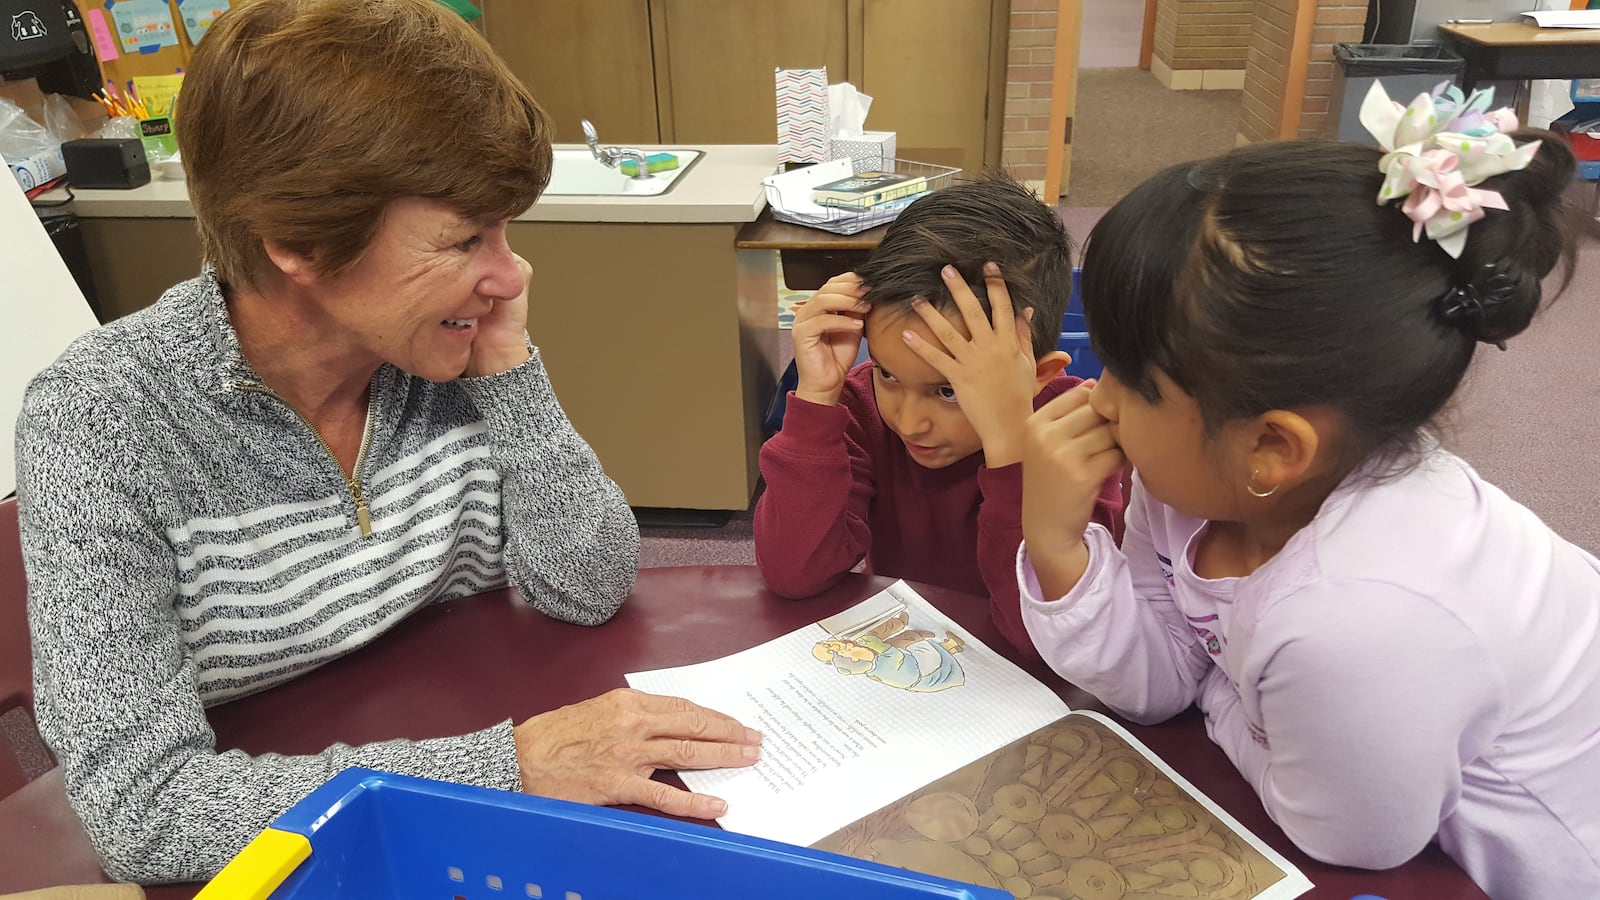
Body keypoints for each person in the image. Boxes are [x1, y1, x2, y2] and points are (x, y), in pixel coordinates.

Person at [14, 0, 758, 885]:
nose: (512, 273)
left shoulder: (439, 352)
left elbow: (588, 585)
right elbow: (146, 812)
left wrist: (510, 365)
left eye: (506, 230)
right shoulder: (103, 419)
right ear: (299, 242)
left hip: (466, 762)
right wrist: (503, 771)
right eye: (463, 239)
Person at [1017, 87, 1598, 899]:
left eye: (1129, 380)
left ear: (1273, 447)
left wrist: (1221, 698)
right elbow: (1156, 686)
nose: (1096, 396)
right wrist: (1057, 546)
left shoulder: (1359, 616)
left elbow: (1350, 835)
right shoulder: (1201, 480)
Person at [754, 174, 1124, 661]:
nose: (909, 421)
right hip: (907, 662)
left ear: (1039, 376)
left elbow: (1044, 642)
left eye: (949, 390)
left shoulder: (1078, 438)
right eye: (888, 373)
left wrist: (1010, 444)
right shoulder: (862, 407)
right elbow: (793, 573)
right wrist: (818, 397)